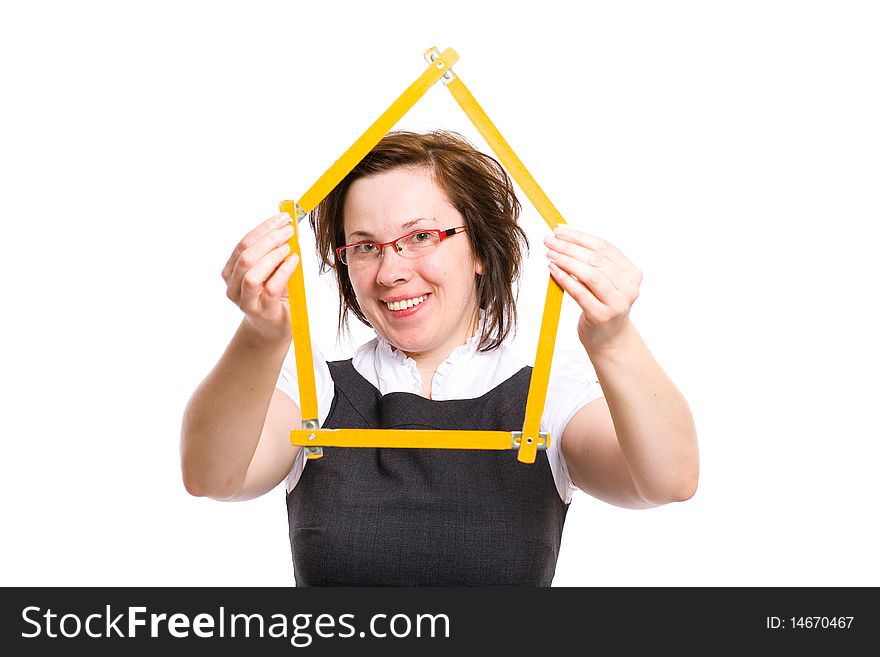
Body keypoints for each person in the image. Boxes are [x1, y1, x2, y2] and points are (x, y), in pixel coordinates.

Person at [180, 130, 699, 586]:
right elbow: (213, 476)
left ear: (479, 250)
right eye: (364, 247)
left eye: (420, 237)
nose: (389, 273)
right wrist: (260, 335)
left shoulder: (546, 392)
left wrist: (614, 339)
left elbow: (667, 481)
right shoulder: (314, 385)